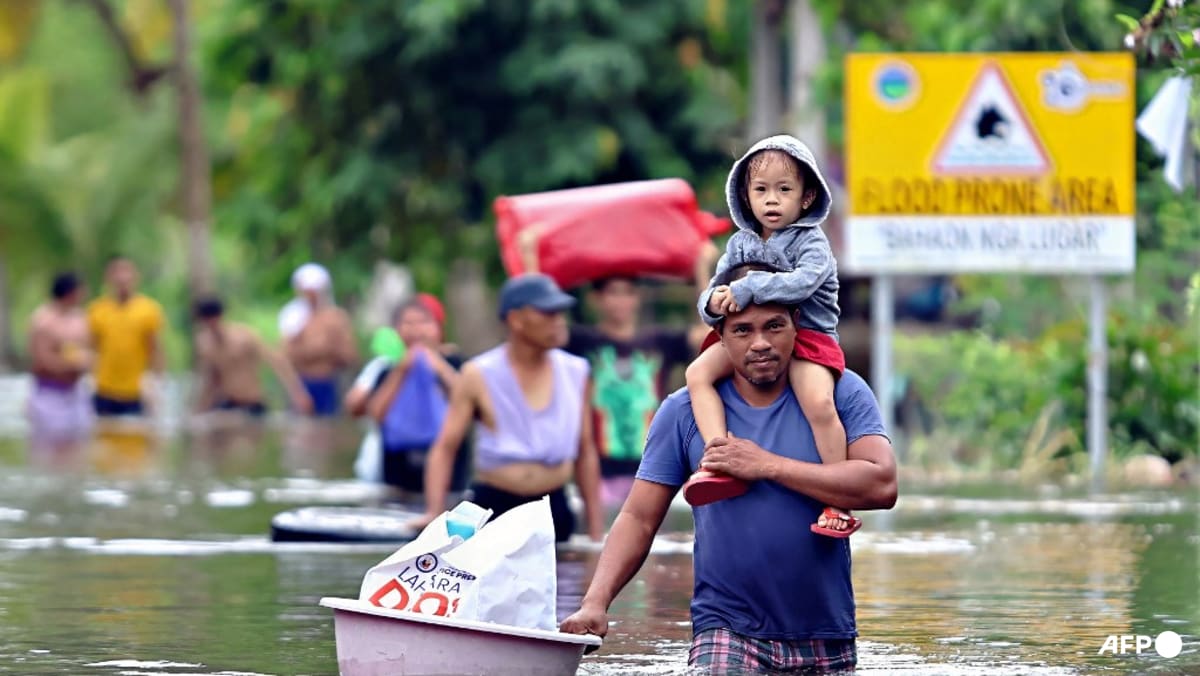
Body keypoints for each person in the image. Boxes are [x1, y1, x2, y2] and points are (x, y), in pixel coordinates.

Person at [560, 269, 898, 673]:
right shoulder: (683, 411)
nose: (760, 343)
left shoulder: (838, 391)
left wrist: (767, 465)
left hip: (825, 630)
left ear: (797, 325)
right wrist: (595, 603)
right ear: (718, 338)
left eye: (774, 326)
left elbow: (881, 484)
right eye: (742, 330)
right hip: (725, 630)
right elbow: (638, 516)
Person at [684, 135, 850, 537]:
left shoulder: (812, 242)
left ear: (807, 197)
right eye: (761, 190)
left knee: (819, 402)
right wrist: (712, 304)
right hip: (754, 337)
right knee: (697, 375)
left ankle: (838, 500)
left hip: (808, 336)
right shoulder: (740, 243)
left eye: (784, 190)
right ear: (746, 195)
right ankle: (717, 458)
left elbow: (801, 284)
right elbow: (716, 288)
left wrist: (745, 290)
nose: (771, 200)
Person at [415, 273, 604, 543]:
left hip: (553, 508)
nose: (559, 321)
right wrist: (433, 512)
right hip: (493, 506)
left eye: (560, 313)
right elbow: (445, 447)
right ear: (516, 319)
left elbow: (585, 452)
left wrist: (596, 534)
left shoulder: (576, 372)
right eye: (547, 313)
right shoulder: (478, 373)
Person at [564, 273, 714, 507]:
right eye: (613, 292)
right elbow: (539, 321)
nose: (621, 300)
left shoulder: (659, 341)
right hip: (597, 474)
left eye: (628, 292)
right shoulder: (582, 343)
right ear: (596, 298)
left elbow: (708, 336)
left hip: (652, 471)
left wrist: (700, 270)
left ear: (638, 297)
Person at [345, 293, 471, 493]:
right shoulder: (388, 369)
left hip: (449, 475)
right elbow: (376, 415)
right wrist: (401, 371)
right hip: (397, 474)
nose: (416, 330)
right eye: (408, 323)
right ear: (396, 330)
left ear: (438, 328)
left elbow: (468, 402)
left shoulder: (457, 364)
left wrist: (438, 366)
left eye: (424, 322)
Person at [192, 296, 313, 416]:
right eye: (206, 320)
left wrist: (298, 394)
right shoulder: (205, 345)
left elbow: (277, 362)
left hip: (252, 402)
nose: (211, 324)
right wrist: (200, 409)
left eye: (212, 318)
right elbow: (212, 381)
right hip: (227, 404)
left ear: (220, 316)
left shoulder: (244, 337)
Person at [87, 255, 166, 416]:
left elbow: (155, 349)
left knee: (136, 438)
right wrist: (89, 379)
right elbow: (92, 348)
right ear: (108, 277)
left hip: (136, 391)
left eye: (126, 271)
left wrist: (156, 382)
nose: (122, 277)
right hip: (104, 389)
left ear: (136, 275)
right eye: (116, 271)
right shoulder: (96, 310)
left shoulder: (149, 310)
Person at [280, 263, 359, 416]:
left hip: (329, 383)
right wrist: (297, 392)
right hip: (301, 383)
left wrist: (328, 347)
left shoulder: (336, 318)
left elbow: (350, 355)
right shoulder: (292, 318)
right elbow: (285, 356)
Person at [26, 272, 94, 448]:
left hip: (76, 394)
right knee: (49, 450)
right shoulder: (43, 321)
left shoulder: (80, 318)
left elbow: (87, 350)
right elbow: (42, 360)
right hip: (50, 395)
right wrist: (70, 364)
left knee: (79, 449)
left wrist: (87, 361)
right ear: (71, 292)